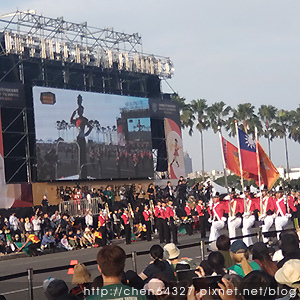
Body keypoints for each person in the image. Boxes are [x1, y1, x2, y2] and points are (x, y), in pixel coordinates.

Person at [70, 95, 93, 179]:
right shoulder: (77, 120)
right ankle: (80, 172)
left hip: (82, 138)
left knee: (83, 155)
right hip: (78, 138)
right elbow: (71, 120)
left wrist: (86, 134)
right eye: (79, 111)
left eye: (81, 110)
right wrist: (73, 113)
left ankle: (84, 173)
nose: (80, 112)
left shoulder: (84, 119)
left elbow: (90, 127)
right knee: (79, 156)